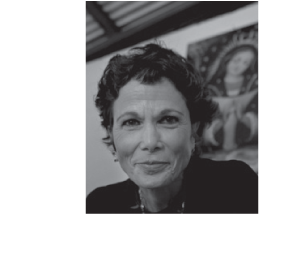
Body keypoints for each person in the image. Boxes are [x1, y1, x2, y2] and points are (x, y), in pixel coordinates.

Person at [87, 43, 258, 213]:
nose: (150, 142)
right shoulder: (99, 206)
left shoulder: (236, 186)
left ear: (193, 131)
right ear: (112, 137)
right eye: (131, 122)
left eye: (168, 120)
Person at [203, 44, 258, 151]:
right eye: (237, 60)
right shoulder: (212, 88)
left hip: (245, 126)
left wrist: (243, 117)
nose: (239, 65)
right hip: (218, 128)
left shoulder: (253, 84)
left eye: (245, 63)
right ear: (228, 58)